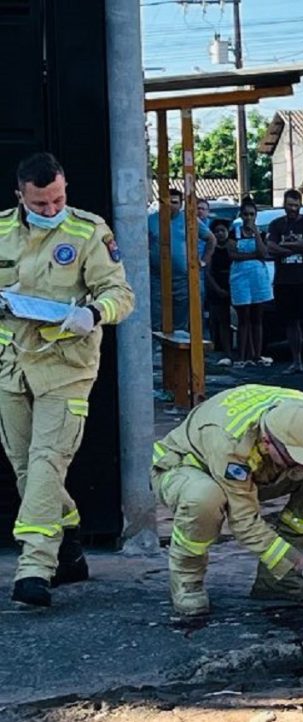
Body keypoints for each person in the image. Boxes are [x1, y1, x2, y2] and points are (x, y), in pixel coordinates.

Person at [0, 152, 135, 607]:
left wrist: (93, 312)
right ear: (20, 196)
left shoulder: (88, 231)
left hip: (66, 366)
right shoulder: (1, 229)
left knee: (45, 462)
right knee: (25, 468)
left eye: (58, 200)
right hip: (11, 364)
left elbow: (121, 294)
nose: (52, 210)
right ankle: (71, 543)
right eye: (41, 204)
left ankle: (35, 567)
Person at [150, 384, 303, 616]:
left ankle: (275, 580)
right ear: (268, 442)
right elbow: (245, 523)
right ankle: (187, 579)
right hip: (189, 468)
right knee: (205, 498)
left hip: (260, 472)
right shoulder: (231, 442)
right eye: (295, 457)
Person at [266, 189, 303, 374]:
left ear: (300, 205)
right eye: (289, 205)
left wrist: (285, 246)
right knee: (291, 323)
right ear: (284, 205)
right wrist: (294, 249)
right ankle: (296, 362)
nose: (293, 209)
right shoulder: (276, 224)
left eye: (296, 205)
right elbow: (271, 247)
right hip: (284, 281)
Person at [147, 187, 215, 332]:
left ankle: (178, 353)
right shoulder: (151, 220)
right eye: (166, 202)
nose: (170, 205)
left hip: (182, 280)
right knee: (156, 320)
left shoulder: (189, 219)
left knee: (180, 323)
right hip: (157, 279)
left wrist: (203, 261)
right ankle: (158, 353)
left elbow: (211, 239)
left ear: (181, 203)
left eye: (174, 202)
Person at [229, 197, 272, 367]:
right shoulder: (234, 233)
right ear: (241, 215)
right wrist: (252, 256)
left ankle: (257, 354)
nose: (248, 218)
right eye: (245, 214)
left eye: (251, 214)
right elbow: (232, 254)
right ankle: (242, 354)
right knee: (243, 316)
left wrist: (255, 234)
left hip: (257, 278)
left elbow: (264, 253)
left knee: (257, 316)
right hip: (240, 277)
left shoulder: (260, 233)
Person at [205, 218, 234, 362]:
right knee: (222, 321)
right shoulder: (211, 249)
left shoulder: (232, 246)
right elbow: (208, 272)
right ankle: (226, 351)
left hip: (234, 285)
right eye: (216, 231)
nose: (220, 234)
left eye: (222, 231)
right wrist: (217, 289)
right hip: (217, 287)